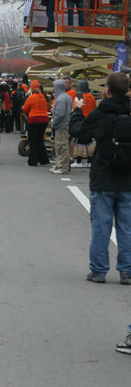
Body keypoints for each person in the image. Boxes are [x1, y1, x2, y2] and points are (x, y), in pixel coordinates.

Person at [70, 73, 131, 289]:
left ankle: (98, 270)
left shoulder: (100, 113)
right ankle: (127, 271)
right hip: (127, 179)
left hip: (103, 178)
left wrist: (77, 110)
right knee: (127, 228)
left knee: (101, 226)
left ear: (107, 90)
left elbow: (79, 134)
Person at [22, 80, 51, 167]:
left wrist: (23, 107)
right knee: (40, 140)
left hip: (34, 119)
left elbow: (25, 109)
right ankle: (43, 160)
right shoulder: (42, 96)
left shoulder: (31, 97)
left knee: (32, 140)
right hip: (44, 120)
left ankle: (32, 161)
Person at [50, 79, 73, 174]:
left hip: (61, 125)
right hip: (66, 124)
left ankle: (62, 167)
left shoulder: (60, 98)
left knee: (62, 147)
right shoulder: (66, 97)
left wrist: (53, 122)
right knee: (61, 146)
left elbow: (60, 114)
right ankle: (59, 165)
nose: (53, 89)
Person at [73, 80, 96, 167]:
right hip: (90, 121)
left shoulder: (79, 97)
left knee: (80, 142)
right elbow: (94, 108)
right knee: (89, 142)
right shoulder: (92, 97)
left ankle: (79, 162)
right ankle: (89, 162)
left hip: (81, 120)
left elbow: (75, 108)